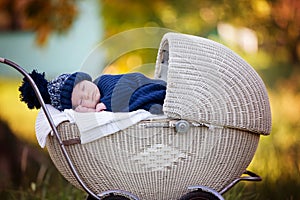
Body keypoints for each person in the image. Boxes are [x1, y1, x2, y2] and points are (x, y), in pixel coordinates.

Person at [19, 70, 167, 114]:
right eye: (81, 101)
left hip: (159, 91)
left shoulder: (103, 82)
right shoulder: (97, 109)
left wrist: (104, 106)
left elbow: (123, 90)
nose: (86, 95)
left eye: (83, 88)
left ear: (87, 79)